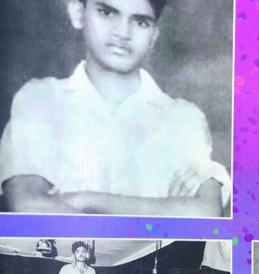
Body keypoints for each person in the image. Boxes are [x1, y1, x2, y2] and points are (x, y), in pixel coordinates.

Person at [0, 0, 230, 217]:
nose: (123, 33)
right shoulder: (40, 99)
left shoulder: (184, 118)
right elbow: (28, 207)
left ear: (154, 36)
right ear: (78, 14)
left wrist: (85, 200)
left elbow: (206, 213)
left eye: (140, 22)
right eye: (107, 12)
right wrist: (165, 210)